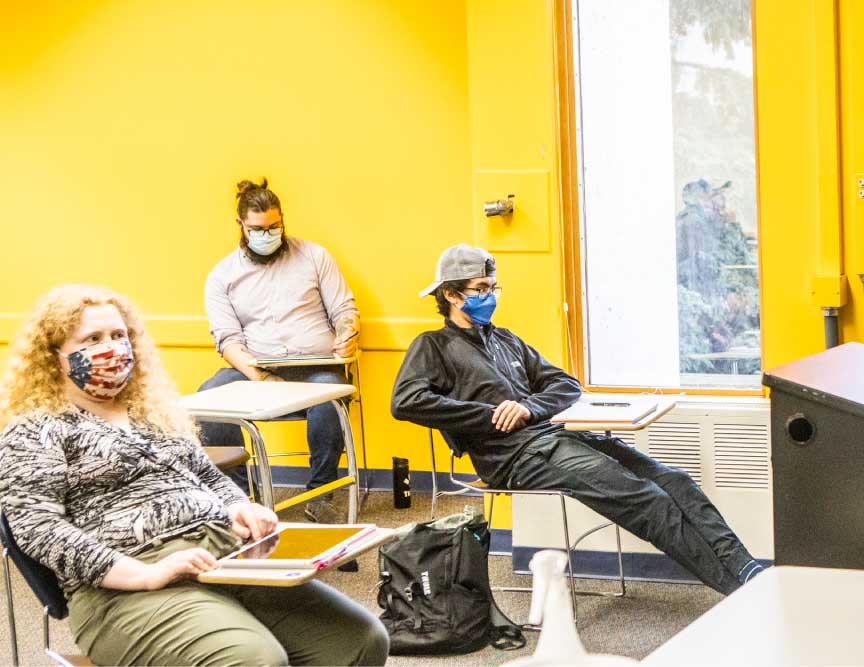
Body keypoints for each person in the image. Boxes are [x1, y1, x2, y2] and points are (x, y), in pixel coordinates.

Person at [0, 285, 387, 666]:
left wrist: (239, 507)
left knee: (358, 641)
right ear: (54, 358)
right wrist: (145, 575)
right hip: (125, 586)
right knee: (254, 660)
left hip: (222, 557)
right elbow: (38, 527)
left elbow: (207, 475)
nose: (112, 348)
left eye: (119, 335)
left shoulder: (151, 412)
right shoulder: (36, 429)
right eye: (93, 338)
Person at [391, 244, 764, 595]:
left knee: (674, 480)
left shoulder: (505, 340)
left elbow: (566, 384)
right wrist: (488, 416)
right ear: (453, 296)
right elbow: (405, 401)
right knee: (648, 500)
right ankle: (740, 593)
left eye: (493, 287)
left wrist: (529, 408)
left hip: (553, 436)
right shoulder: (433, 346)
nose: (489, 296)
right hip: (516, 457)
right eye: (480, 288)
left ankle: (748, 572)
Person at [199, 178, 360, 522]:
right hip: (254, 370)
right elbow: (227, 340)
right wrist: (261, 376)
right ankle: (239, 497)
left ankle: (322, 493)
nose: (268, 234)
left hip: (316, 366)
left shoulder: (315, 256)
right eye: (258, 228)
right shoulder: (222, 275)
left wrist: (348, 334)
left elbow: (345, 311)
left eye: (275, 226)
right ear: (241, 225)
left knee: (326, 399)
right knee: (208, 398)